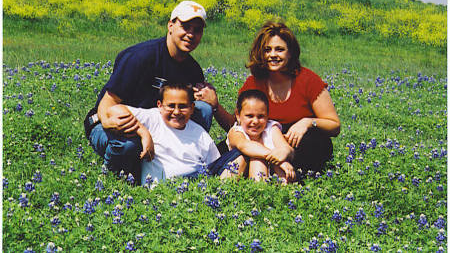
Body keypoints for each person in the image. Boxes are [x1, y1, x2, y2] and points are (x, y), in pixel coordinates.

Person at [84, 1, 220, 182]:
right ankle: (116, 179)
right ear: (170, 26)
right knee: (129, 146)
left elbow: (199, 110)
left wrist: (214, 103)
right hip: (113, 122)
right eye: (185, 27)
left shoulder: (193, 70)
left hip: (159, 125)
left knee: (203, 109)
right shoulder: (140, 57)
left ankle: (186, 163)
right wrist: (142, 132)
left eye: (197, 30)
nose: (191, 34)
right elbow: (107, 106)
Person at [209, 21, 340, 177]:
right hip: (260, 142)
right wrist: (215, 106)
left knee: (317, 143)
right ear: (261, 53)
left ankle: (278, 172)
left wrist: (307, 122)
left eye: (279, 49)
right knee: (218, 154)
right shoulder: (253, 83)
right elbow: (239, 124)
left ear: (290, 52)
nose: (273, 55)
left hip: (296, 145)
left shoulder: (308, 80)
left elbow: (334, 126)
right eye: (267, 50)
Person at [105, 83, 236, 184]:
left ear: (192, 108)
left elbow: (214, 167)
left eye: (183, 106)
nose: (176, 112)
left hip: (195, 189)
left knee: (237, 155)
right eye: (171, 106)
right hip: (160, 190)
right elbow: (114, 110)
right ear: (160, 106)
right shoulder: (153, 118)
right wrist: (144, 133)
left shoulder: (200, 134)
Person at [223, 89, 296, 183]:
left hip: (270, 174)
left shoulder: (271, 128)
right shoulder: (236, 131)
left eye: (261, 116)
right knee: (257, 160)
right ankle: (259, 192)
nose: (255, 121)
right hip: (239, 175)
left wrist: (284, 153)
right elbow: (245, 146)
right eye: (249, 116)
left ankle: (284, 193)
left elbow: (287, 149)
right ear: (238, 115)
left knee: (279, 160)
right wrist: (277, 158)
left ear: (267, 116)